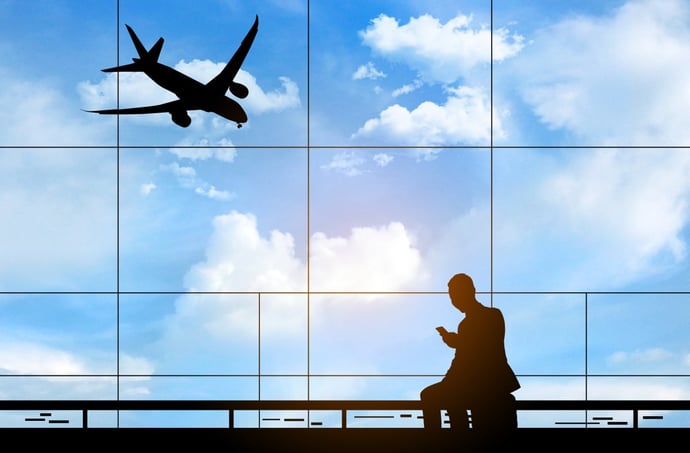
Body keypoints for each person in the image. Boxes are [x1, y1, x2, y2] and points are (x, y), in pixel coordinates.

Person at [420, 273, 520, 436]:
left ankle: (438, 439)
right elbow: (467, 354)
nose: (455, 301)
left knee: (431, 396)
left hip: (486, 381)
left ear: (471, 291)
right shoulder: (476, 321)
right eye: (452, 297)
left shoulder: (491, 315)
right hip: (476, 381)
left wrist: (458, 342)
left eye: (456, 295)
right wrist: (458, 342)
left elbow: (481, 351)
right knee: (442, 396)